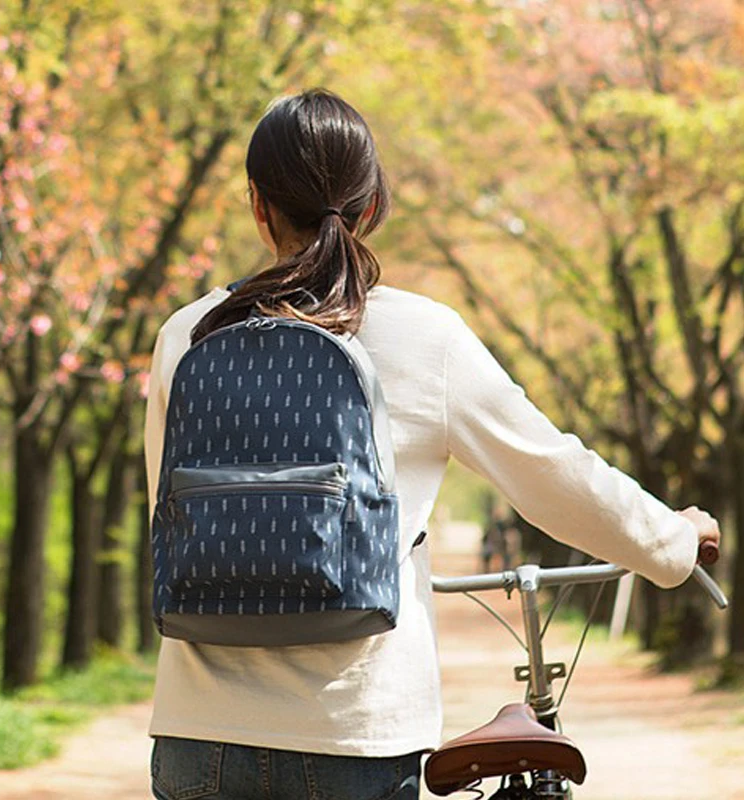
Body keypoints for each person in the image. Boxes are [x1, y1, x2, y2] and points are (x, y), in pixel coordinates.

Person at [144, 88, 721, 800]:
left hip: (199, 738)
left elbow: (170, 512)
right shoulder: (426, 337)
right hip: (354, 732)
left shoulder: (187, 335)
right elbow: (552, 473)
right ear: (372, 205)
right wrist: (672, 541)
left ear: (258, 205)